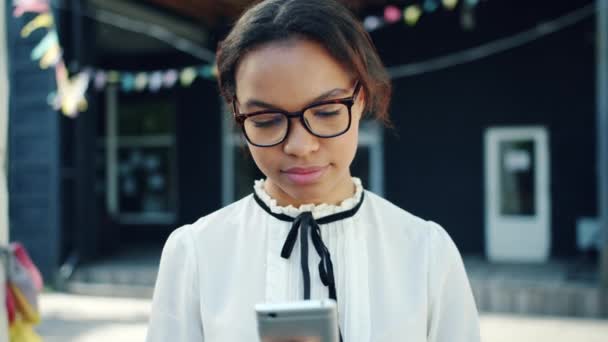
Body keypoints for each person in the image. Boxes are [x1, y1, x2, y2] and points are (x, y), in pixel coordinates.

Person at [146, 0, 480, 341]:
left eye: (326, 112)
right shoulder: (195, 254)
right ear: (237, 114)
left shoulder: (425, 252)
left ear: (360, 98)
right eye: (266, 120)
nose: (300, 146)